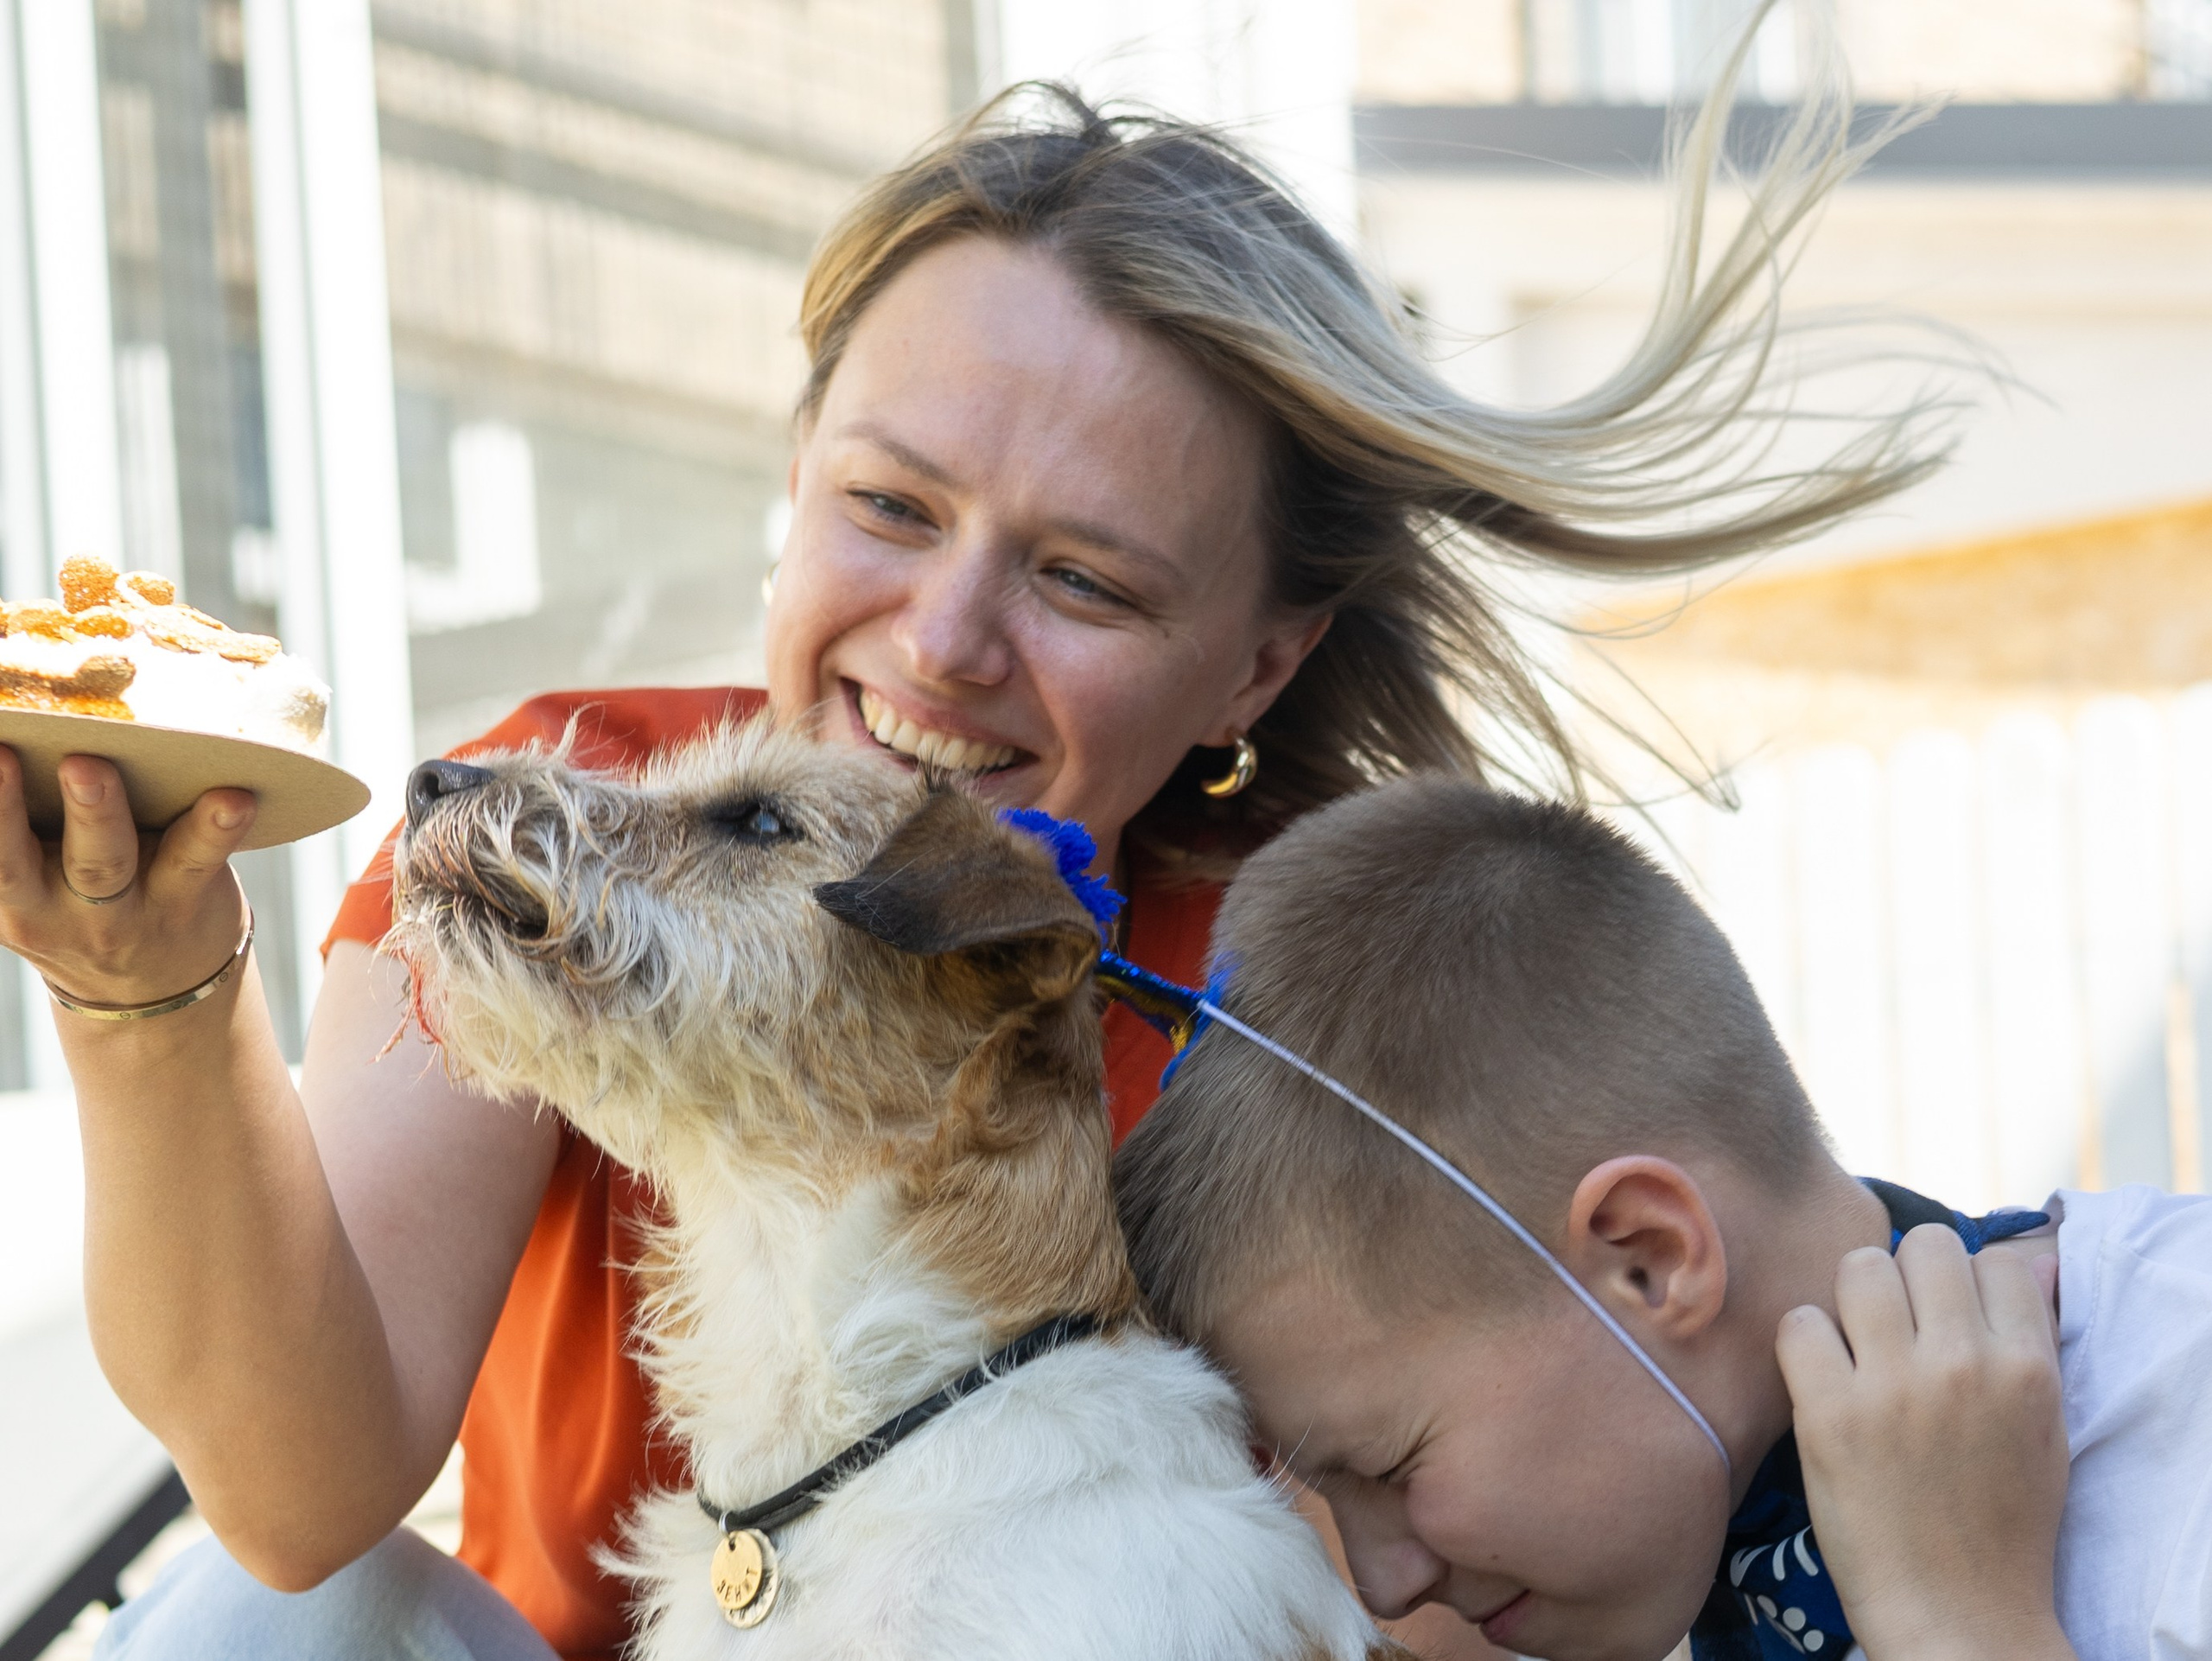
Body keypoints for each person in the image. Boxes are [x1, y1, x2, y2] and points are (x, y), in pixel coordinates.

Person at [0, 41, 1948, 1661]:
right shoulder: (581, 816)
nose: (941, 642)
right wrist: (141, 1000)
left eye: (1083, 577)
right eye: (889, 504)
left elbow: (1428, 1580)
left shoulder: (1339, 1008)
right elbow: (295, 1491)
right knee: (277, 1620)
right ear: (796, 472)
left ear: (1257, 657)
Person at [1115, 776, 2205, 1661]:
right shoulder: (1718, 1555)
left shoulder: (2180, 1395)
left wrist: (1959, 1628)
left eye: (1393, 1466)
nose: (1381, 1577)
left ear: (1647, 1256)